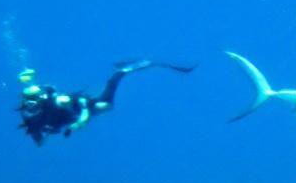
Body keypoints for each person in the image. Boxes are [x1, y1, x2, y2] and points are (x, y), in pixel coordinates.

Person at [17, 59, 193, 146]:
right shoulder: (30, 117)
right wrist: (44, 133)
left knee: (106, 105)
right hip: (70, 119)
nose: (32, 106)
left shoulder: (59, 101)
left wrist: (76, 125)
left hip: (82, 107)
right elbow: (39, 142)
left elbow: (84, 109)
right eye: (29, 103)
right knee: (107, 107)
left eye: (35, 101)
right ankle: (118, 72)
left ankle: (120, 72)